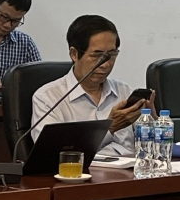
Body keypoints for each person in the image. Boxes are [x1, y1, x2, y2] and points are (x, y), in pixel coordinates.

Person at [31, 15, 150, 157]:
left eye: (111, 54)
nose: (106, 64)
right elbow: (52, 153)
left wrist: (152, 121)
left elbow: (149, 148)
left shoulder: (124, 91)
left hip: (131, 168)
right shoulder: (48, 98)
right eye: (97, 55)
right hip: (83, 170)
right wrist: (110, 128)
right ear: (74, 54)